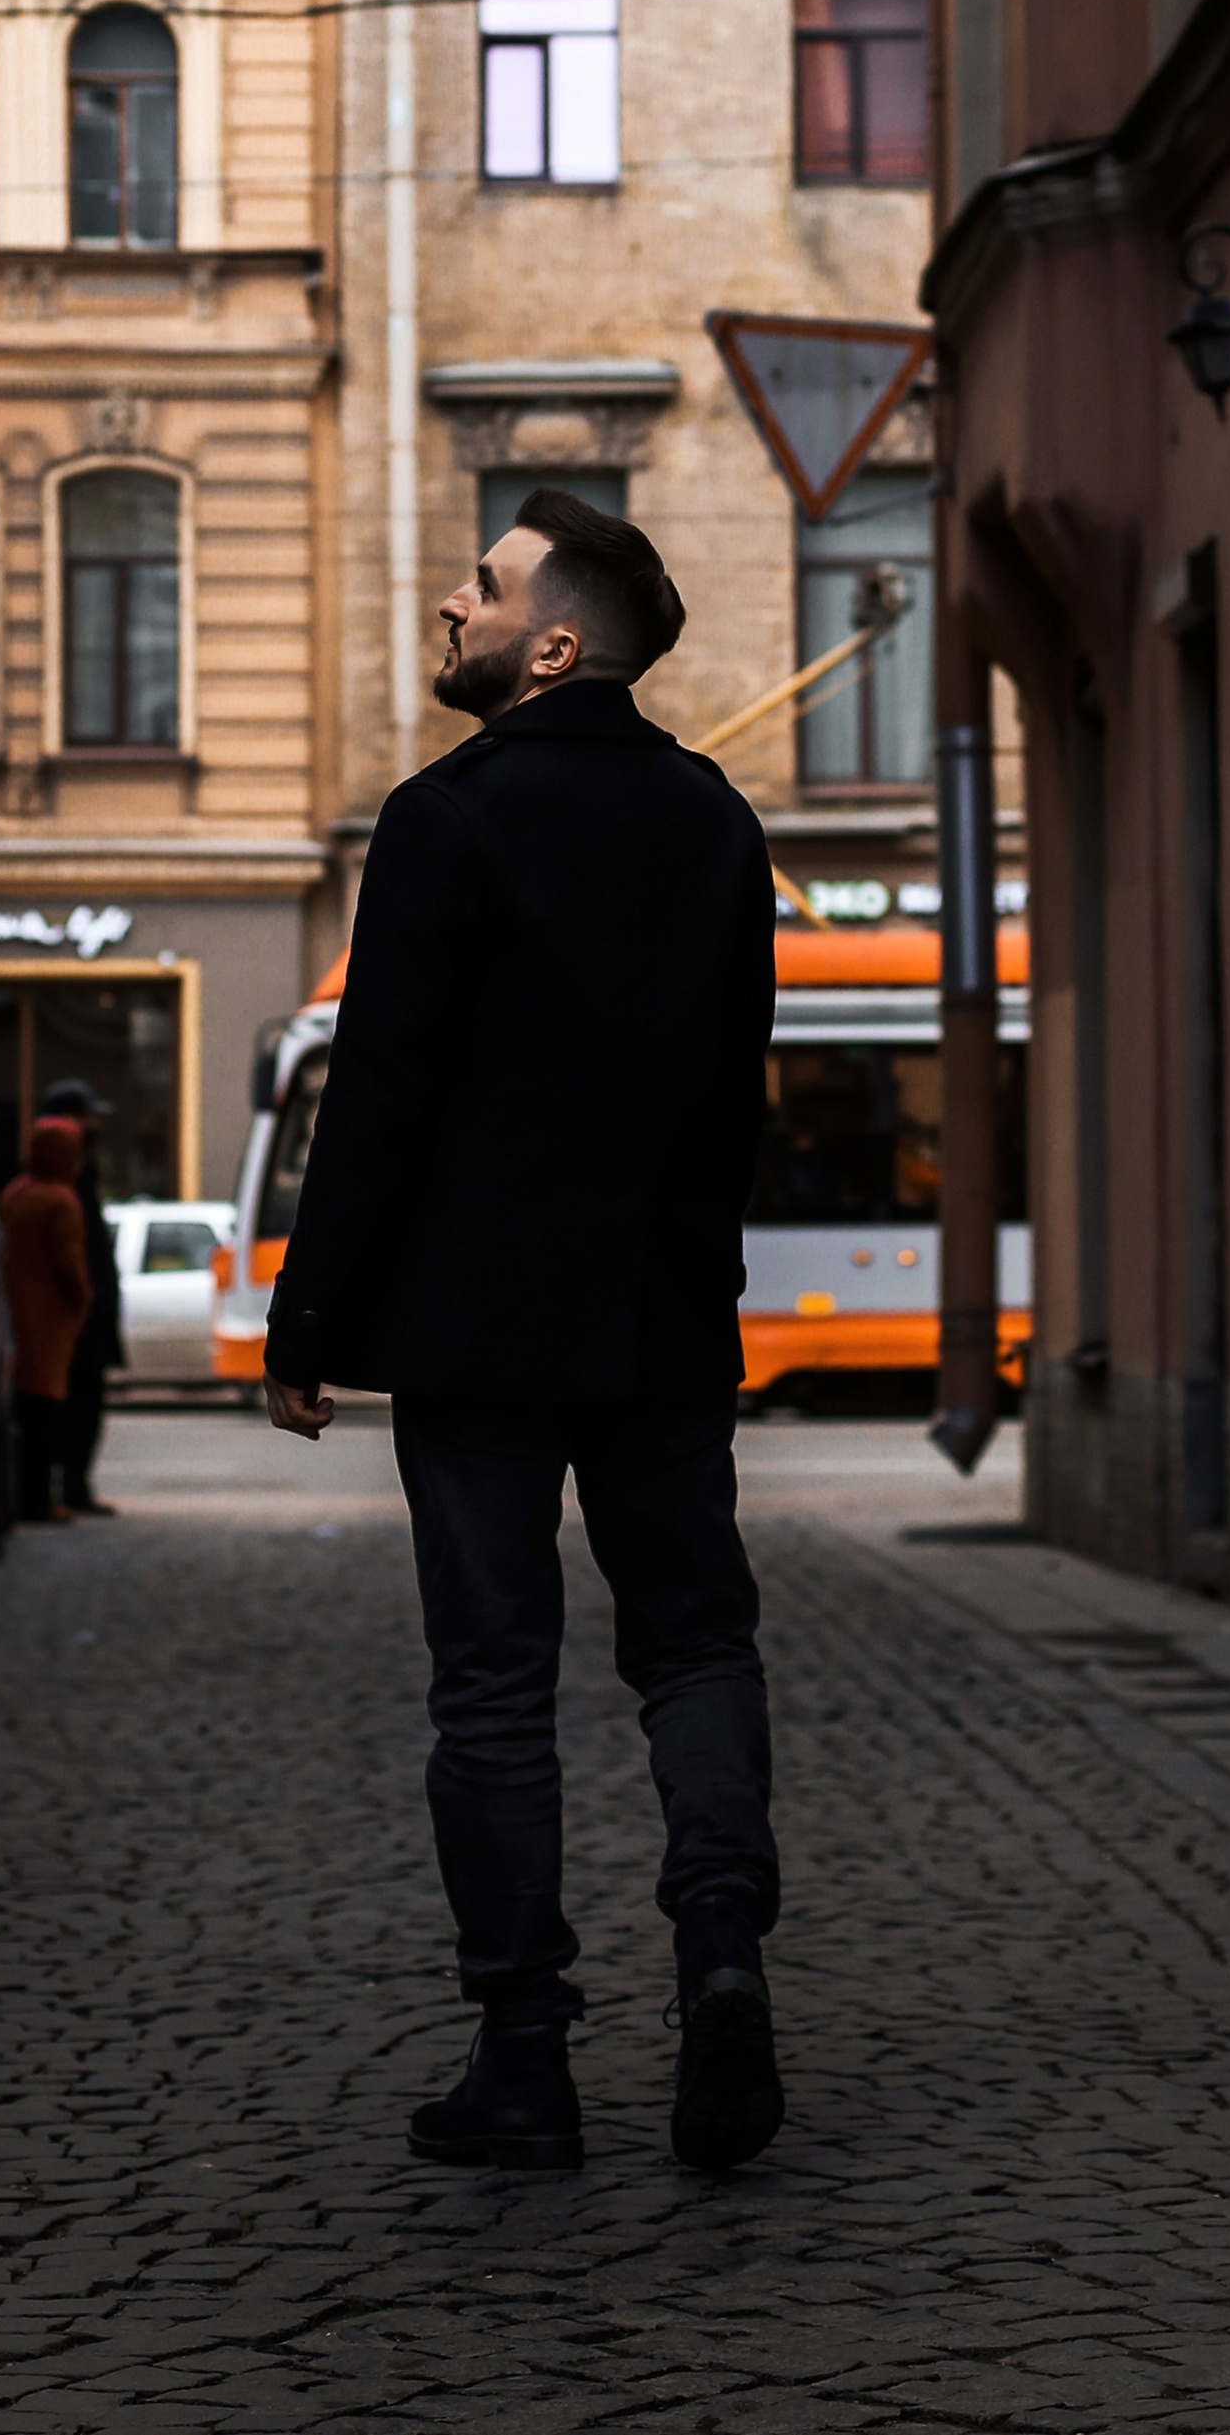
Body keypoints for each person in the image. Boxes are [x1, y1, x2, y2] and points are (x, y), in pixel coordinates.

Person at [265, 488, 783, 2179]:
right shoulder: (715, 822)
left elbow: (384, 1092)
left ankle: (526, 2052)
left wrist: (310, 1312)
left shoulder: (442, 817)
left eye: (479, 590)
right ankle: (721, 1955)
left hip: (477, 1329)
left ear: (553, 643)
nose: (448, 606)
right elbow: (733, 1105)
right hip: (659, 1322)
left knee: (493, 1683)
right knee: (694, 1644)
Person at [38, 1075, 126, 1517]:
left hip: (82, 1313)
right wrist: (84, 1302)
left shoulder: (74, 1178)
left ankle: (71, 1485)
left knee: (80, 1403)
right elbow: (70, 1259)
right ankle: (64, 1486)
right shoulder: (60, 1186)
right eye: (86, 1116)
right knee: (72, 1403)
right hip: (75, 1317)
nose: (93, 1125)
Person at [0, 1114, 90, 1524]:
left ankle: (22, 1496)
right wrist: (83, 1303)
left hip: (14, 1314)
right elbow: (69, 1266)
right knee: (45, 1418)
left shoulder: (15, 1194)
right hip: (49, 1322)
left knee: (23, 1415)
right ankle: (39, 1500)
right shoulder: (60, 1201)